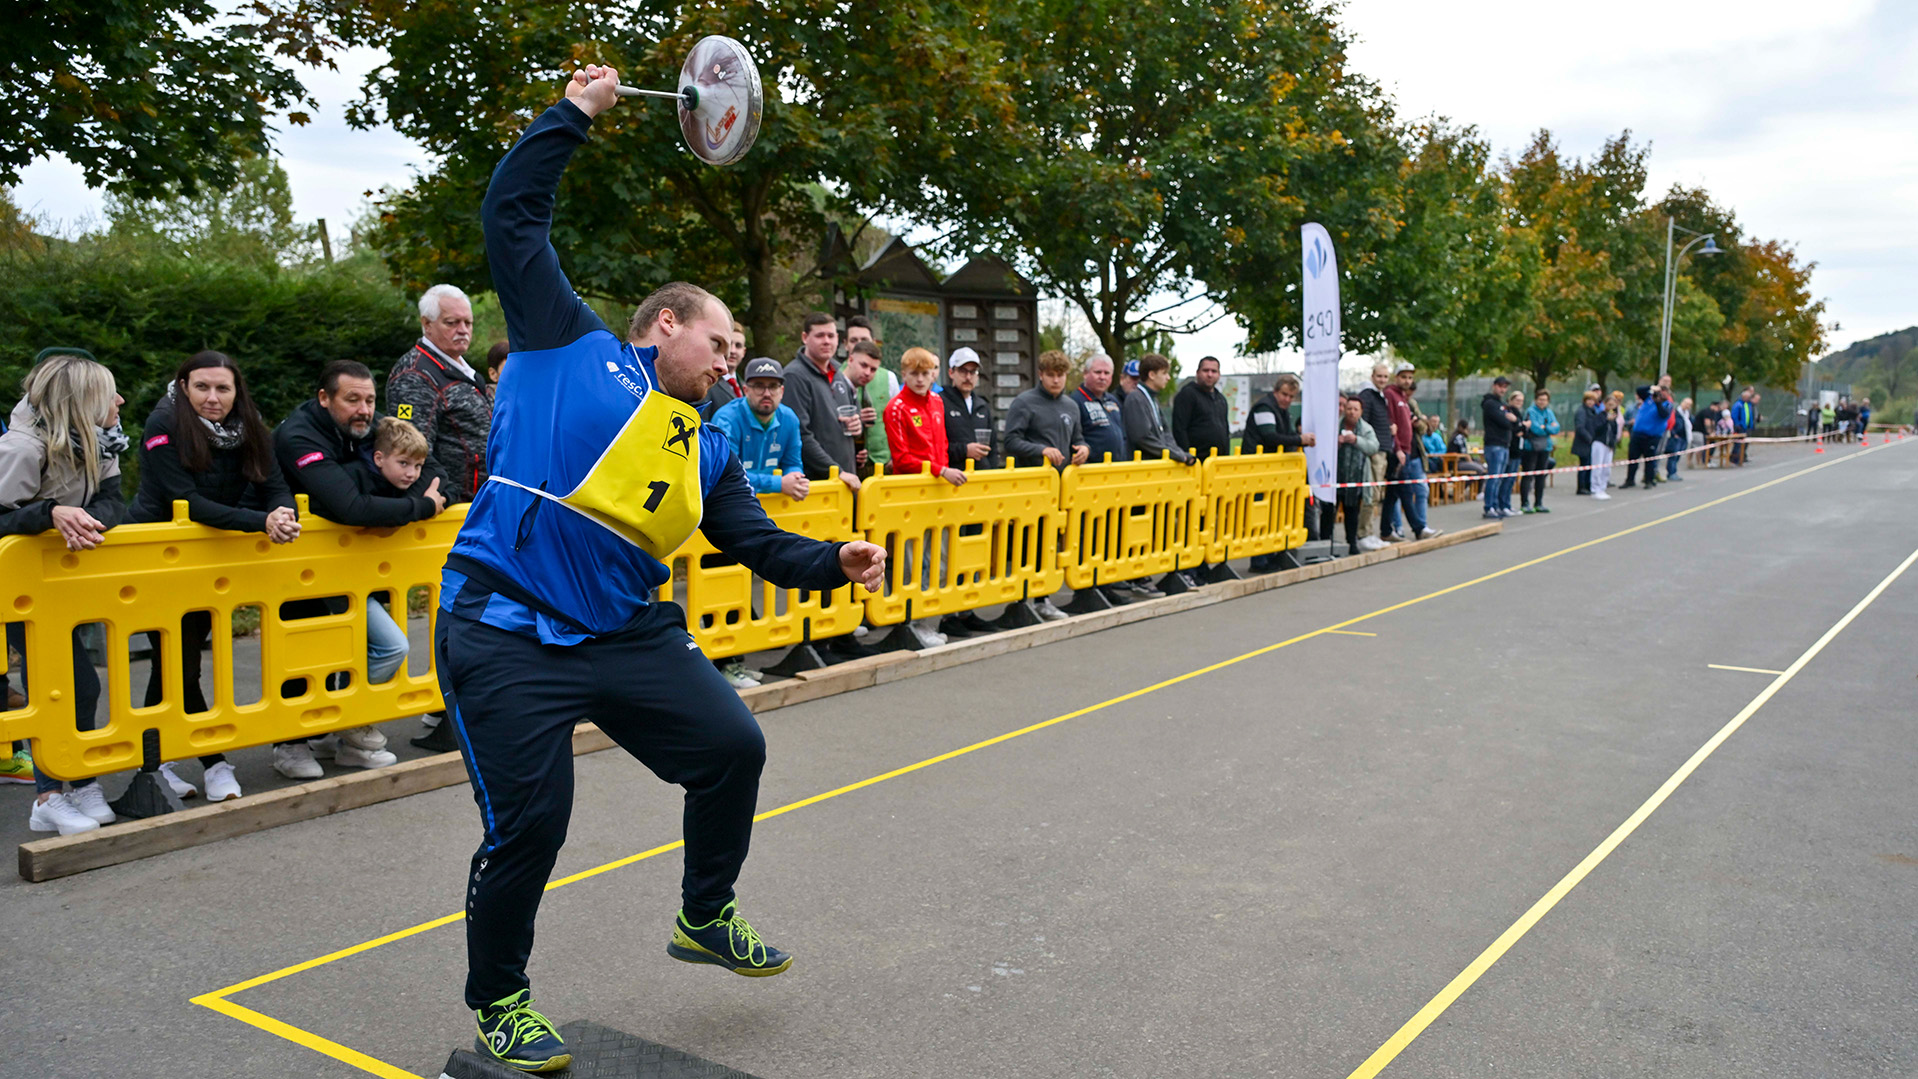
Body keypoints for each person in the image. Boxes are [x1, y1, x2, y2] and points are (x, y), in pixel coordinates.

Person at [446, 67, 888, 1073]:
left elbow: (756, 544)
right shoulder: (570, 346)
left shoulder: (708, 444)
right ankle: (501, 998)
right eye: (722, 338)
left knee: (732, 743)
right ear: (666, 324)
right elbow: (510, 214)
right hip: (505, 626)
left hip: (624, 631)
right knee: (532, 822)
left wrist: (832, 557)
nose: (735, 359)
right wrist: (572, 117)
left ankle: (704, 911)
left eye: (740, 347)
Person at [130, 350, 302, 803]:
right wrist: (261, 523)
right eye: (202, 387)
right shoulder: (162, 424)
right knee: (177, 661)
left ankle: (157, 761)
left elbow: (275, 482)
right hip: (158, 556)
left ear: (236, 391)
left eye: (222, 388)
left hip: (211, 558)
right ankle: (211, 760)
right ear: (183, 387)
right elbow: (187, 502)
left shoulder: (248, 424)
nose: (213, 397)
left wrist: (284, 511)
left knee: (175, 662)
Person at [273, 360, 444, 778]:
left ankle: (338, 728)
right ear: (324, 399)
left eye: (369, 399)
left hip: (355, 567)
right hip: (298, 562)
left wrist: (389, 507)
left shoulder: (373, 426)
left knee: (372, 648)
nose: (364, 409)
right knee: (308, 653)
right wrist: (419, 507)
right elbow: (347, 505)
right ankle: (291, 743)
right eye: (352, 400)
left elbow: (436, 471)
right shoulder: (299, 435)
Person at [1, 349, 126, 835]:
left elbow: (114, 500)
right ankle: (48, 797)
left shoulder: (101, 441)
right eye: (106, 393)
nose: (118, 399)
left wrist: (91, 523)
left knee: (82, 685)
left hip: (63, 581)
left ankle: (81, 781)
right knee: (56, 689)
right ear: (79, 403)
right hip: (21, 588)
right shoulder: (20, 450)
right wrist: (51, 513)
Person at [706, 357, 809, 688]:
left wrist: (795, 476)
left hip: (756, 516)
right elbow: (726, 471)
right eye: (759, 386)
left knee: (746, 584)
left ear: (782, 390)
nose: (767, 393)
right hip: (721, 513)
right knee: (722, 587)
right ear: (745, 388)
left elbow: (793, 461)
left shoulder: (788, 418)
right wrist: (780, 484)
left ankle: (737, 659)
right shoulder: (728, 418)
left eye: (774, 387)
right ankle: (725, 663)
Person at [883, 347, 966, 643]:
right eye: (914, 374)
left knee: (940, 558)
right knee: (910, 561)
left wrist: (941, 471)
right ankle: (908, 622)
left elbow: (941, 444)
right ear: (904, 374)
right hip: (911, 493)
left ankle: (928, 620)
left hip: (938, 492)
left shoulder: (936, 401)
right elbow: (902, 458)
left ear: (934, 374)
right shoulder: (896, 407)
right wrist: (940, 470)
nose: (920, 379)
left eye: (925, 373)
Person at [389, 283, 491, 504]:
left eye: (468, 322)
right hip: (452, 510)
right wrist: (440, 498)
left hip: (483, 503)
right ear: (427, 324)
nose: (463, 330)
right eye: (452, 323)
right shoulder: (415, 376)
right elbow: (412, 451)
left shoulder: (462, 369)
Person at [936, 348, 1007, 635]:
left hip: (979, 489)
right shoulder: (939, 402)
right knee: (952, 552)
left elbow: (994, 447)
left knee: (975, 551)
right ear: (951, 372)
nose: (968, 376)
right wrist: (962, 450)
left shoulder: (981, 405)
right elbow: (937, 447)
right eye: (963, 371)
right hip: (950, 488)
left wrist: (992, 479)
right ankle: (948, 614)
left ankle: (968, 609)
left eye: (973, 371)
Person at [782, 312, 862, 493]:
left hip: (846, 480)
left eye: (831, 336)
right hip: (816, 485)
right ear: (805, 338)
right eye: (820, 335)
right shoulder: (794, 376)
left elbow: (850, 420)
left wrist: (858, 427)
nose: (826, 341)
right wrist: (836, 471)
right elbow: (800, 435)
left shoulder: (839, 373)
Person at [1380, 361, 1437, 540]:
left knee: (1393, 494)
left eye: (1410, 377)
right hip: (1399, 452)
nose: (1407, 380)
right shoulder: (1390, 395)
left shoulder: (1404, 398)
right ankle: (1419, 528)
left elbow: (1419, 426)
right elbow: (1391, 425)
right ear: (1396, 378)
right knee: (1404, 490)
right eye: (1403, 377)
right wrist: (1397, 449)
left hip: (1407, 450)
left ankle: (1386, 531)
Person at [1320, 396, 1376, 557]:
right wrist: (1334, 443)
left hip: (1355, 478)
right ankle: (1325, 543)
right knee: (1328, 512)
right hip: (1333, 478)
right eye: (1349, 408)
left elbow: (1374, 447)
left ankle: (1352, 543)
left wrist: (1357, 440)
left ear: (1361, 412)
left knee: (1352, 513)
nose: (1351, 412)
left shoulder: (1366, 429)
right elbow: (1322, 446)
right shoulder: (1334, 425)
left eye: (1355, 409)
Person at [1123, 354, 1194, 465]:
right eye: (1164, 373)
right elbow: (1142, 437)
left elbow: (1165, 431)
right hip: (1142, 469)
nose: (1168, 378)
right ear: (1152, 375)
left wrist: (1177, 452)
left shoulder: (1153, 399)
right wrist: (1173, 454)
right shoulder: (1135, 398)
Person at [840, 340, 897, 477]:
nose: (867, 373)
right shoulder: (835, 385)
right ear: (851, 359)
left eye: (873, 369)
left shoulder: (886, 378)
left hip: (877, 462)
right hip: (839, 468)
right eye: (864, 365)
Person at [1355, 363, 1394, 546]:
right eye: (1379, 376)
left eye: (1385, 377)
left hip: (1383, 450)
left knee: (1377, 494)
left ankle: (1369, 532)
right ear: (1372, 376)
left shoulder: (1381, 396)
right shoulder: (1367, 396)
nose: (1383, 380)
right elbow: (1364, 424)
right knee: (1370, 493)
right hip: (1374, 451)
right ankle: (1364, 533)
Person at [1170, 355, 1230, 460]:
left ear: (1219, 375)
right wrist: (1187, 456)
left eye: (1214, 371)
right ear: (1198, 373)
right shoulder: (1188, 395)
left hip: (1217, 461)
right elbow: (1179, 429)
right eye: (1206, 370)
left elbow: (1225, 430)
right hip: (1195, 461)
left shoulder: (1221, 399)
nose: (1210, 375)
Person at [1072, 354, 1128, 465]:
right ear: (1085, 373)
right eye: (1098, 372)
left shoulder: (1113, 400)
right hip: (1091, 470)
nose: (1102, 377)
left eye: (1107, 373)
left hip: (1117, 467)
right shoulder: (1075, 401)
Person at [1480, 376, 1518, 519]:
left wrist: (1512, 420)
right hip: (1494, 444)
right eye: (1500, 386)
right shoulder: (1490, 403)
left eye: (1505, 387)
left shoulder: (1502, 404)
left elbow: (1514, 421)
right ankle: (1489, 507)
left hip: (1504, 444)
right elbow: (1504, 421)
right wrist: (1510, 419)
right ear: (1494, 386)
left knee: (1500, 477)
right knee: (1494, 477)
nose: (1503, 389)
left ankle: (1496, 505)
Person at [1621, 384, 1668, 489]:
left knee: (1649, 460)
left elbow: (1663, 415)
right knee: (1633, 458)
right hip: (1637, 434)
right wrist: (1652, 387)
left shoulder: (1666, 404)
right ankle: (1630, 479)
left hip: (1652, 436)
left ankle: (1649, 480)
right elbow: (1639, 389)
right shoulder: (1648, 399)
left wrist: (1658, 403)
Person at [1519, 389, 1559, 513]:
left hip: (1545, 447)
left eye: (1545, 400)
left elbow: (1556, 428)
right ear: (1536, 400)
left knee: (1541, 476)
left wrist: (1545, 427)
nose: (1542, 402)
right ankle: (1525, 503)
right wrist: (1547, 428)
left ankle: (1539, 502)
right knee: (1528, 475)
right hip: (1531, 447)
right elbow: (1535, 429)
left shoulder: (1549, 412)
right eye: (1540, 399)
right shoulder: (1531, 411)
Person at [701, 321, 748, 417]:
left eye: (738, 346)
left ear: (743, 352)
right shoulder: (707, 383)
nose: (733, 351)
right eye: (730, 345)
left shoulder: (745, 387)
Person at [1591, 391, 1622, 500]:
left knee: (1606, 468)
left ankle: (1603, 487)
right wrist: (1606, 420)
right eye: (1609, 405)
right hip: (1599, 443)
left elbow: (1614, 432)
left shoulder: (1614, 419)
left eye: (1613, 405)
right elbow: (1596, 428)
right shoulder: (1600, 416)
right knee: (1598, 467)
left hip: (1609, 445)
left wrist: (1613, 444)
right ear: (1605, 404)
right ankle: (1595, 488)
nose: (1611, 407)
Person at [1571, 389, 1602, 494]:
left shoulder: (1593, 411)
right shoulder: (1581, 411)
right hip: (1583, 443)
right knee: (1584, 465)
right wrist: (1589, 438)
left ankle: (1588, 485)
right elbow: (1580, 427)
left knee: (1589, 464)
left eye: (1592, 400)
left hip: (1591, 443)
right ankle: (1581, 487)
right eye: (1588, 400)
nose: (1590, 402)